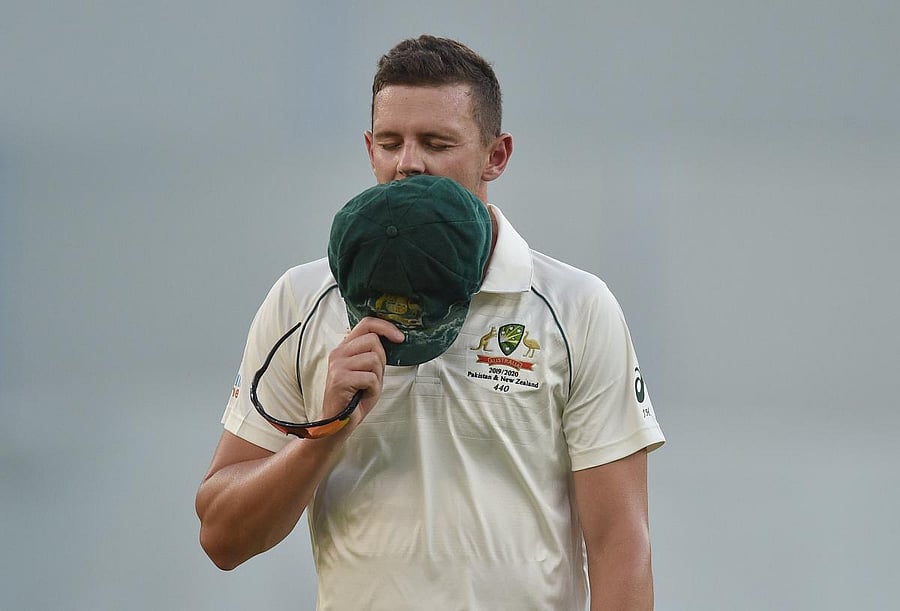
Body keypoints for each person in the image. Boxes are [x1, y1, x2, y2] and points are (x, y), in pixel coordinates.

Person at [195, 35, 665, 610]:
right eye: (389, 142)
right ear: (369, 149)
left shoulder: (575, 306)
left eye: (436, 143)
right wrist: (323, 434)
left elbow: (620, 544)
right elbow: (222, 537)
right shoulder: (302, 300)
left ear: (497, 155)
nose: (407, 163)